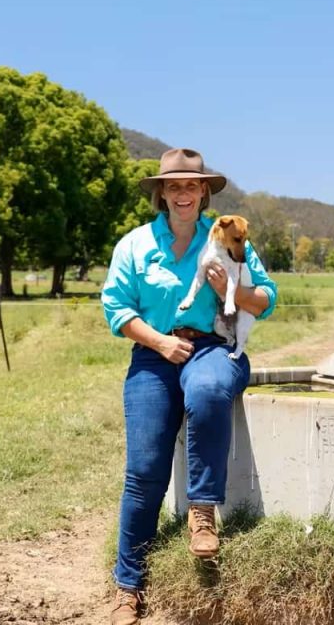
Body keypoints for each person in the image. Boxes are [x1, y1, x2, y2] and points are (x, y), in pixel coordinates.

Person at [101, 148, 277, 625]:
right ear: (162, 192)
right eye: (173, 186)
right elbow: (117, 310)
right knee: (144, 471)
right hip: (154, 353)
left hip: (215, 347)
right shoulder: (135, 245)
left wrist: (230, 290)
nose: (183, 193)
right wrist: (160, 343)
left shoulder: (230, 239)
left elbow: (265, 299)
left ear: (205, 192)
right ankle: (128, 586)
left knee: (205, 390)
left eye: (192, 186)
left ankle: (202, 512)